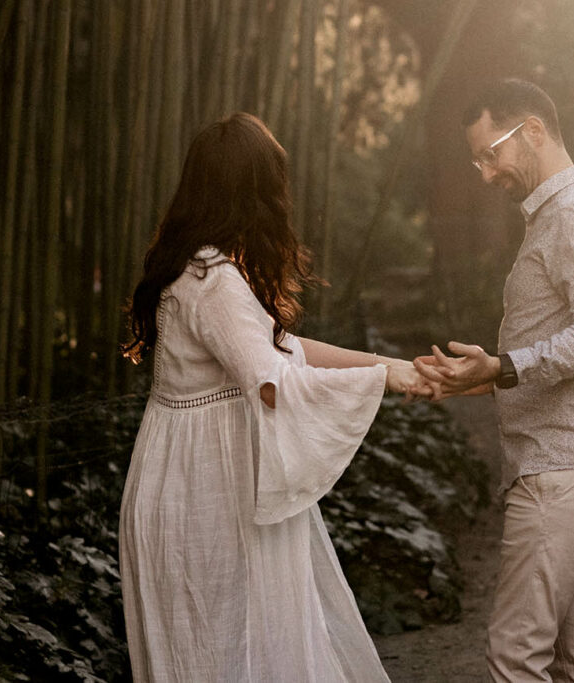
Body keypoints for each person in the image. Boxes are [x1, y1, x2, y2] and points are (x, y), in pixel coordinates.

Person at [118, 112, 427, 682]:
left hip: (188, 478)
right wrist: (383, 381)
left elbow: (282, 346)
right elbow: (275, 384)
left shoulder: (196, 268)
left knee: (219, 651)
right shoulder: (215, 281)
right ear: (255, 191)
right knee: (234, 653)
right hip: (209, 490)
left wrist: (395, 366)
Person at [414, 79, 574, 682]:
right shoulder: (559, 214)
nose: (485, 173)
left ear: (533, 131)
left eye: (492, 153)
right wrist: (480, 377)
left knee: (517, 657)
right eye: (476, 159)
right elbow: (565, 342)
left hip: (564, 469)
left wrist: (505, 366)